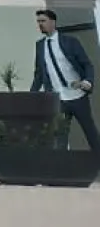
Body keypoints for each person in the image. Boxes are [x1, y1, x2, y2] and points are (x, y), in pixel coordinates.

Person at [31, 8, 100, 154]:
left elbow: (87, 64)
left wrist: (87, 82)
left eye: (43, 21)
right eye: (38, 22)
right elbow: (39, 74)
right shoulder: (40, 45)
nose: (40, 24)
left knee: (90, 131)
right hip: (58, 99)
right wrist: (32, 95)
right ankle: (62, 166)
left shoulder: (70, 42)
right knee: (60, 137)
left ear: (53, 22)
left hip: (77, 96)